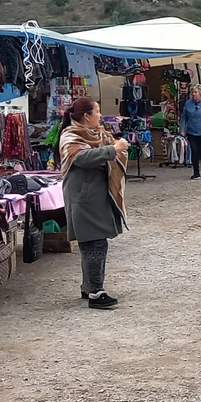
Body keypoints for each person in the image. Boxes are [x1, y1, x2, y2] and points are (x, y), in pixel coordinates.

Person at [57, 97, 129, 310]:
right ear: (86, 116)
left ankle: (89, 286)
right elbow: (82, 158)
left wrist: (115, 147)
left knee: (94, 243)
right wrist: (113, 150)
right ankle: (96, 293)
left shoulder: (97, 134)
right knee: (94, 243)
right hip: (83, 199)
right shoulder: (70, 136)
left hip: (94, 198)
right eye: (96, 111)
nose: (100, 115)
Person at [180, 85, 201, 180]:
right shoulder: (188, 104)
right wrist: (182, 129)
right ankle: (196, 173)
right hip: (192, 132)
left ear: (200, 93)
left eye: (195, 92)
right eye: (192, 92)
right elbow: (184, 117)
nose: (193, 94)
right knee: (194, 152)